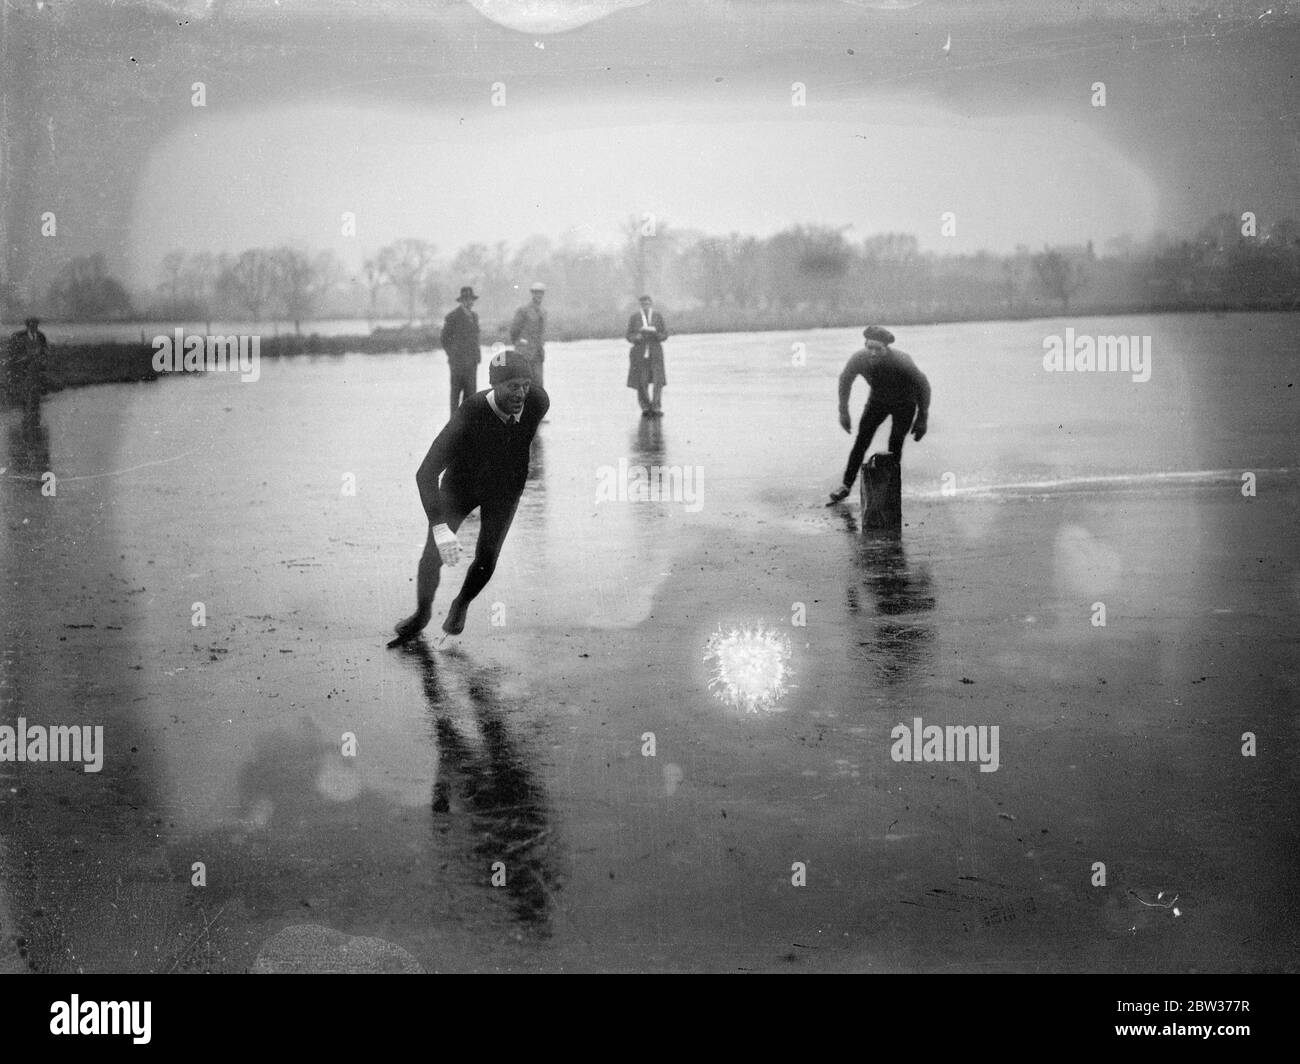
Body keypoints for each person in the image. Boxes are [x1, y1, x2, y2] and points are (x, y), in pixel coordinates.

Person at [390, 348, 549, 645]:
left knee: (487, 558)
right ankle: (422, 614)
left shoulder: (538, 402)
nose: (521, 394)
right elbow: (424, 474)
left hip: (505, 485)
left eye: (525, 385)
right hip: (463, 484)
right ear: (494, 386)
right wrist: (440, 528)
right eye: (512, 386)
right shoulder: (470, 414)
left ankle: (461, 602)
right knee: (433, 554)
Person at [829, 325, 930, 504]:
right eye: (870, 348)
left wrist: (922, 417)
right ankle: (846, 485)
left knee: (895, 444)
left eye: (879, 349)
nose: (873, 353)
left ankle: (889, 491)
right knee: (862, 441)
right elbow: (845, 380)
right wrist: (843, 411)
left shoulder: (901, 360)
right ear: (865, 345)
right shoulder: (859, 359)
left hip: (905, 401)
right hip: (878, 400)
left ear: (886, 349)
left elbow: (923, 384)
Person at [440, 286, 481, 416]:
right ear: (461, 301)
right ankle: (454, 423)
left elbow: (475, 338)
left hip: (472, 363)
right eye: (466, 299)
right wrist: (452, 354)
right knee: (456, 393)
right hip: (457, 363)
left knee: (471, 393)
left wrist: (476, 356)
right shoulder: (452, 317)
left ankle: (468, 422)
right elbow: (444, 338)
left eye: (471, 299)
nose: (469, 302)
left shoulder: (474, 317)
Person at [625, 294, 668, 417]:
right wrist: (635, 337)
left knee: (657, 380)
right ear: (640, 305)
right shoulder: (634, 317)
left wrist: (657, 335)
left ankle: (656, 407)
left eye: (647, 303)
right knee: (641, 381)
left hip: (655, 352)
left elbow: (664, 334)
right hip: (640, 353)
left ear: (651, 303)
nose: (645, 306)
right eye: (643, 304)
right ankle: (645, 407)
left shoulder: (657, 316)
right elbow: (628, 335)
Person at [4, 317, 50, 412]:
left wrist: (43, 357)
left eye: (35, 325)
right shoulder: (19, 336)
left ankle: (34, 406)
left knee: (36, 384)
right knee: (25, 383)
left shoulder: (41, 336)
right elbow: (13, 350)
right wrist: (21, 357)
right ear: (27, 326)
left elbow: (45, 349)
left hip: (37, 364)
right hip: (23, 364)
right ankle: (25, 404)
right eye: (31, 325)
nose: (34, 327)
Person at [509, 282, 547, 389]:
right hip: (524, 354)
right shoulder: (523, 310)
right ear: (532, 294)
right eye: (536, 293)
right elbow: (514, 331)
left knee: (538, 384)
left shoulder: (544, 312)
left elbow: (541, 333)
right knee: (523, 383)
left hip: (538, 354)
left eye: (541, 293)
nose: (539, 296)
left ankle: (536, 406)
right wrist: (520, 345)